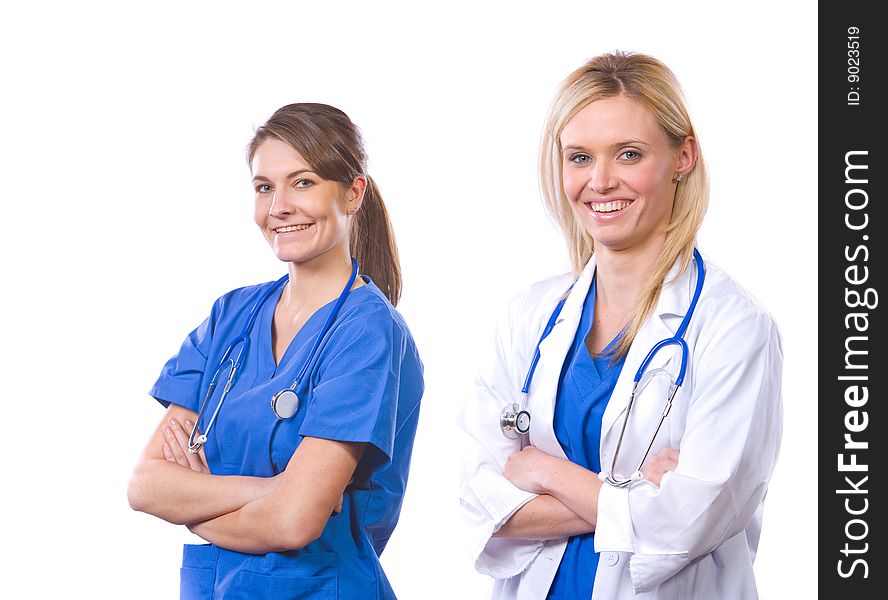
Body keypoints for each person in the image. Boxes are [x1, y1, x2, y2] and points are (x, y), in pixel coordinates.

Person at [457, 52, 783, 599]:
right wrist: (634, 496)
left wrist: (545, 471)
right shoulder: (528, 317)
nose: (600, 181)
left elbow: (687, 524)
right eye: (579, 157)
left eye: (628, 154)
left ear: (684, 155)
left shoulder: (734, 327)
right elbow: (477, 503)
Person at [128, 103, 424, 599]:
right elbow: (145, 486)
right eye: (264, 186)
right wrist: (268, 490)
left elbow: (294, 522)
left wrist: (193, 507)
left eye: (302, 182)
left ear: (353, 193)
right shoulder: (231, 316)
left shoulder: (367, 331)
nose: (278, 207)